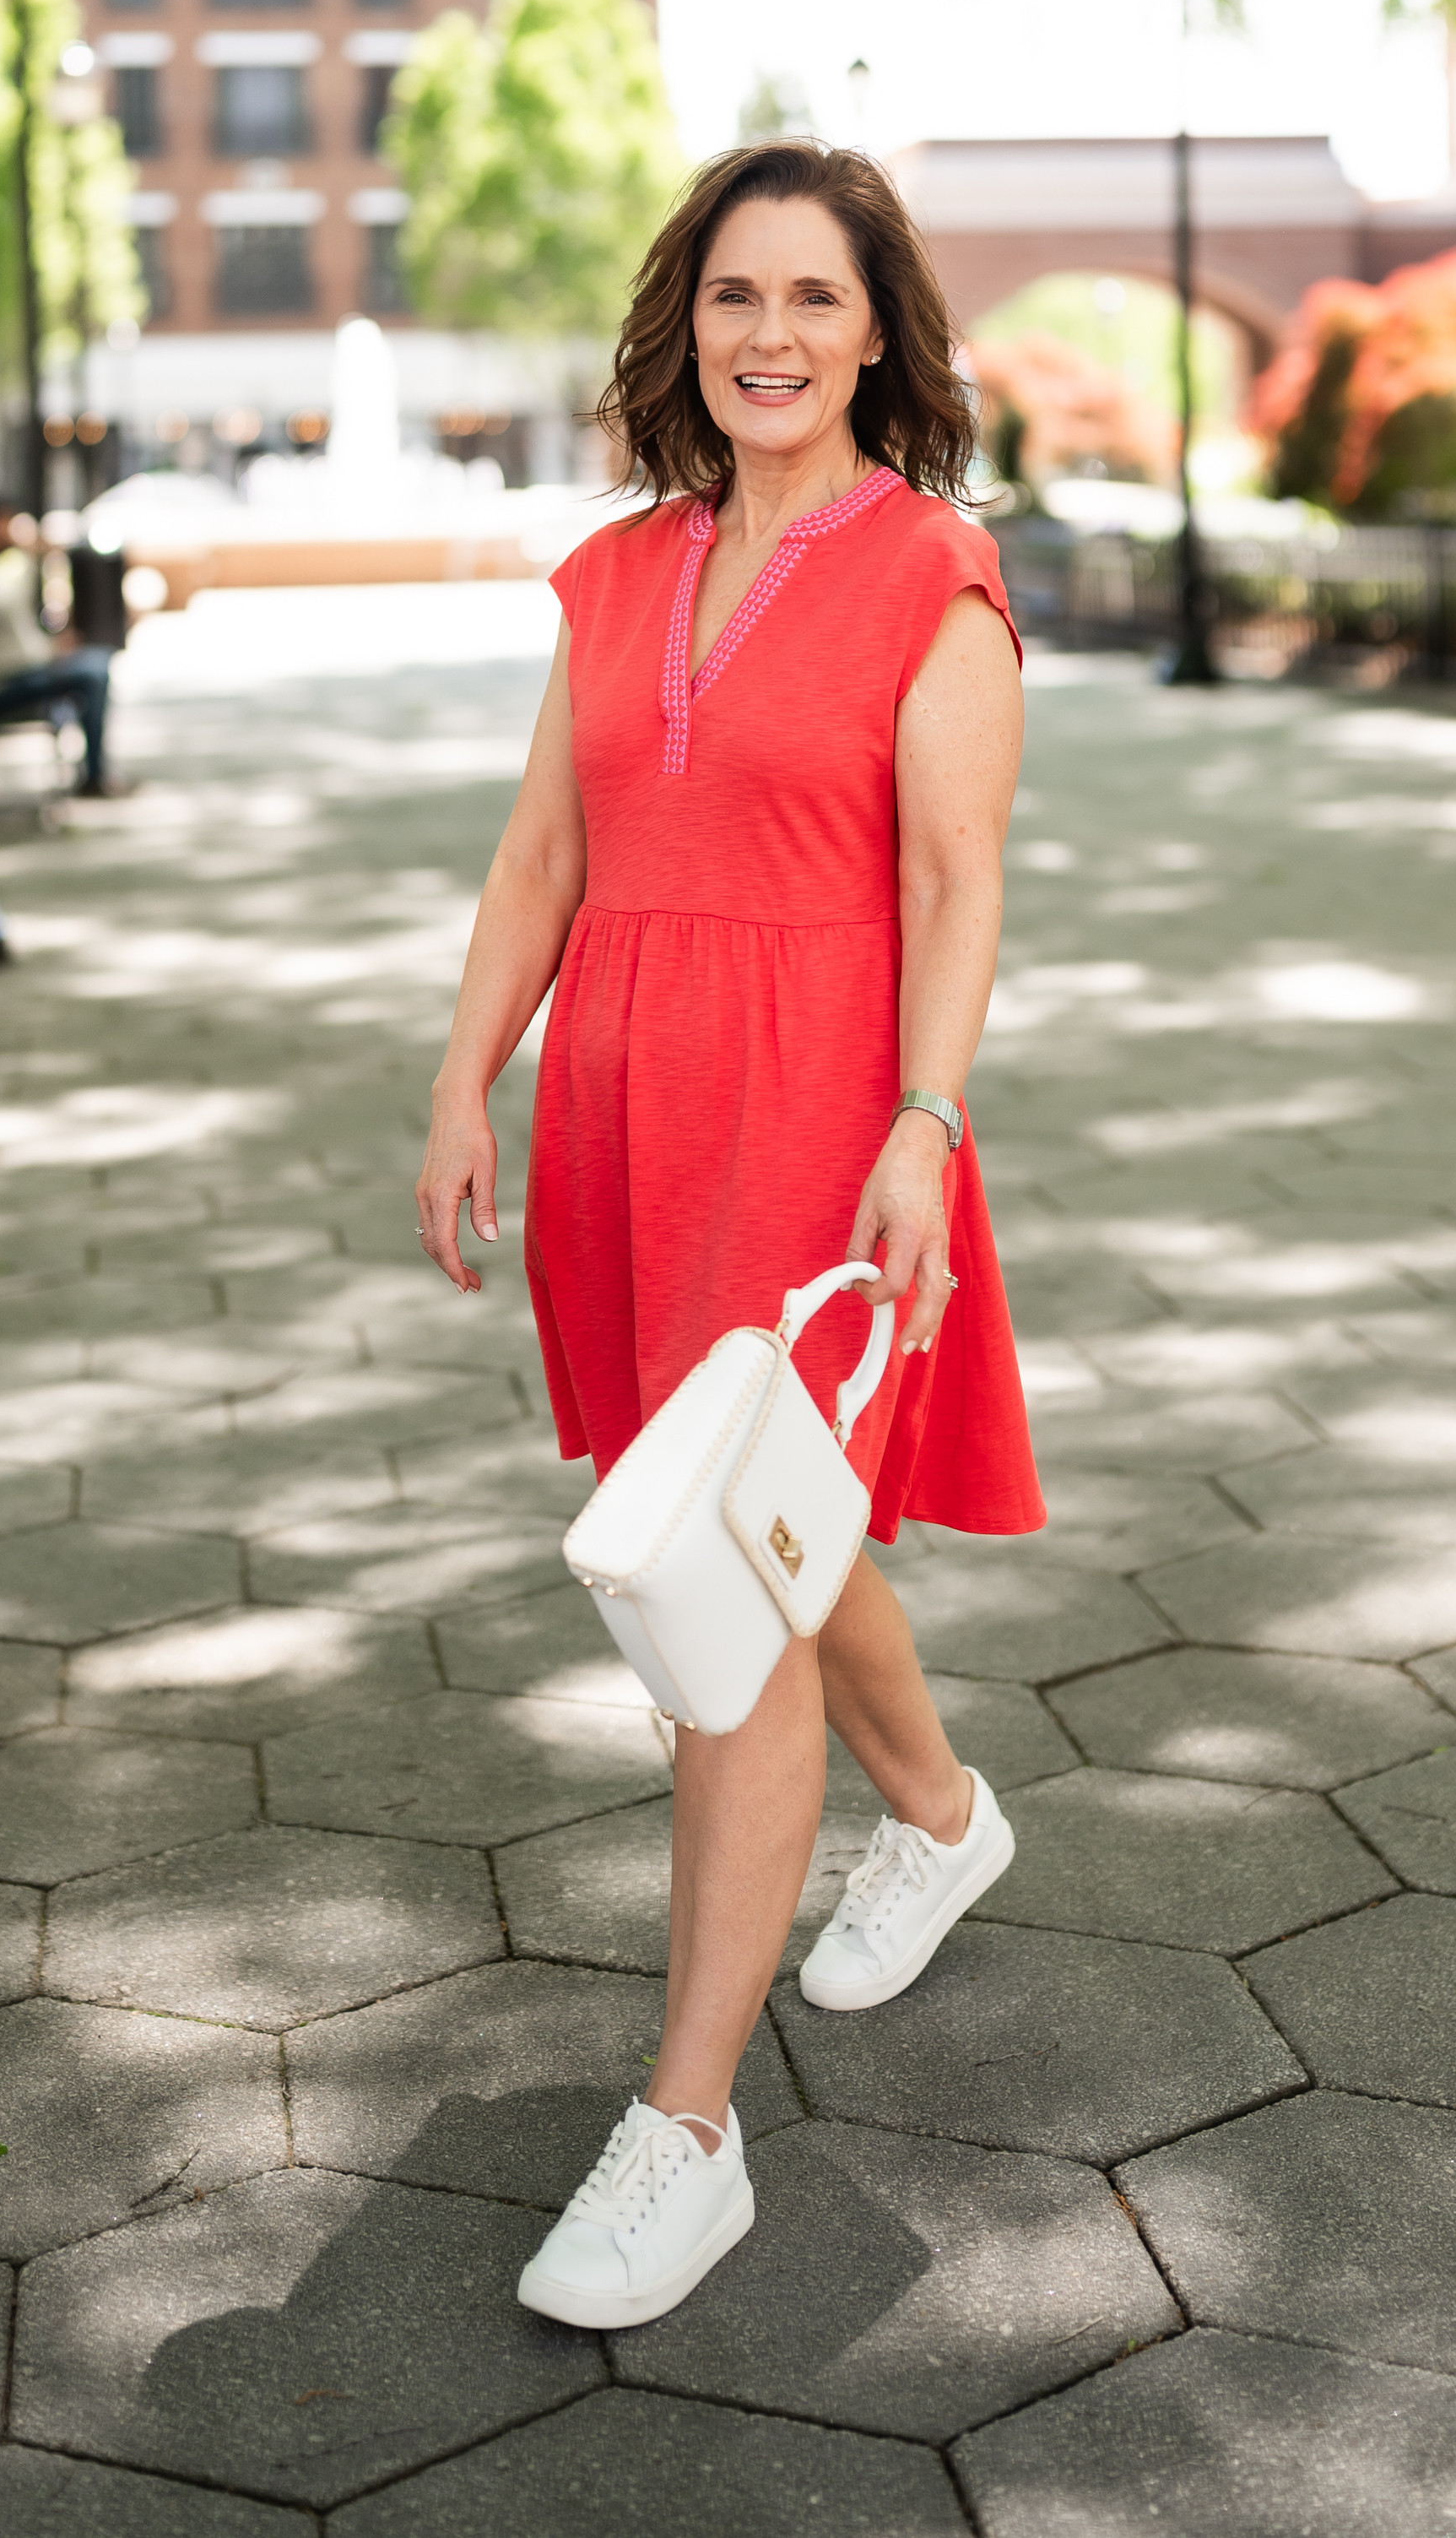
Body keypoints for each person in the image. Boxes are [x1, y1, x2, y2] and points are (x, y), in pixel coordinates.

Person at [416, 138, 1042, 2333]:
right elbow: (535, 863)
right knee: (768, 1527)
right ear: (692, 318)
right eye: (735, 294)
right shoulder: (611, 573)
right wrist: (461, 1072)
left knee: (722, 1604)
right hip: (620, 1118)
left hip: (815, 1128)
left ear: (879, 332)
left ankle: (687, 2131)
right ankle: (945, 1815)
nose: (769, 333)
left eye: (814, 296)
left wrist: (923, 1122)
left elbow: (958, 885)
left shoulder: (931, 572)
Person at [0, 501, 117, 794]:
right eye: (8, 524)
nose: (14, 532)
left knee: (96, 664)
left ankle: (95, 774)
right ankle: (94, 778)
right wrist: (32, 558)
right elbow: (4, 609)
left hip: (11, 675)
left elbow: (14, 630)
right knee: (93, 675)